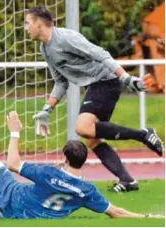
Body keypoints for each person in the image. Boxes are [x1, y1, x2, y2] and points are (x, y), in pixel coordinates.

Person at [0, 111, 163, 220]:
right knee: (3, 193)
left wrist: (15, 133)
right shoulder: (88, 191)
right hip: (31, 213)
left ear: (64, 157)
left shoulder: (49, 174)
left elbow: (13, 162)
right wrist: (144, 216)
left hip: (15, 198)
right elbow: (115, 212)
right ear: (85, 160)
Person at [25, 6, 163, 192]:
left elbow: (101, 54)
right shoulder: (45, 49)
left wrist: (125, 77)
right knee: (91, 138)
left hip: (106, 80)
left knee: (82, 127)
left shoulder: (66, 38)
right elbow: (61, 82)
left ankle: (144, 135)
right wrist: (47, 109)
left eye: (27, 23)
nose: (25, 28)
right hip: (95, 85)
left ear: (39, 24)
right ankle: (127, 181)